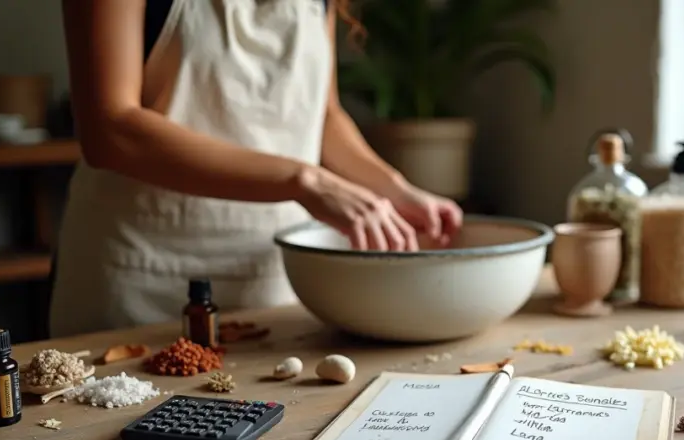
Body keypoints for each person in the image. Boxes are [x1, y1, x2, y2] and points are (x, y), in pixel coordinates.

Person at [50, 0, 463, 338]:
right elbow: (110, 130)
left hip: (273, 280)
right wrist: (305, 181)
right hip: (142, 279)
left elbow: (322, 116)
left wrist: (394, 189)